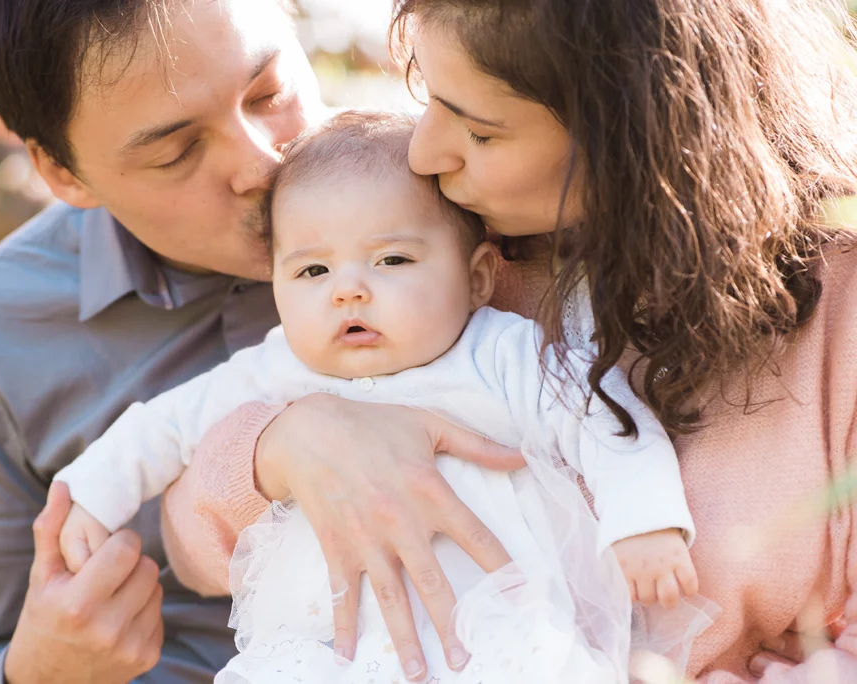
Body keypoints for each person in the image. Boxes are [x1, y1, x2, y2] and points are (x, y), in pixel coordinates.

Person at [159, 0, 857, 682]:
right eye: (429, 100)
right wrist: (284, 448)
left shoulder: (839, 315)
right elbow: (196, 546)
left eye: (480, 132)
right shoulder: (431, 255)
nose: (425, 153)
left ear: (631, 138)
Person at [0, 2, 530, 682]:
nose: (261, 164)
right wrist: (40, 669)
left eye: (270, 92)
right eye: (176, 152)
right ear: (64, 172)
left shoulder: (468, 194)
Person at [51, 111, 708, 682]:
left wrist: (644, 518)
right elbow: (166, 425)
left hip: (494, 629)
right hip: (325, 645)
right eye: (313, 270)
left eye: (391, 260)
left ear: (478, 278)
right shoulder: (277, 368)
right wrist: (92, 494)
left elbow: (600, 413)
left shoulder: (501, 353)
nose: (348, 290)